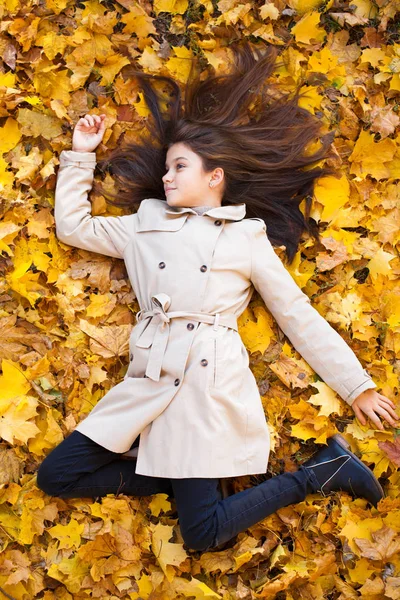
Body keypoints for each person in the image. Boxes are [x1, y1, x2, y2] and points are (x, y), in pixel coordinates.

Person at [36, 41, 399, 553]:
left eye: (179, 166)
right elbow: (73, 227)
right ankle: (238, 481)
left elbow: (296, 315)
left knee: (201, 535)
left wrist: (356, 386)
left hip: (205, 381)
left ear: (215, 176)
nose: (166, 176)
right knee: (57, 476)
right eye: (166, 168)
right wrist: (81, 155)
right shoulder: (143, 224)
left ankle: (320, 472)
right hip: (150, 375)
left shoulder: (244, 236)